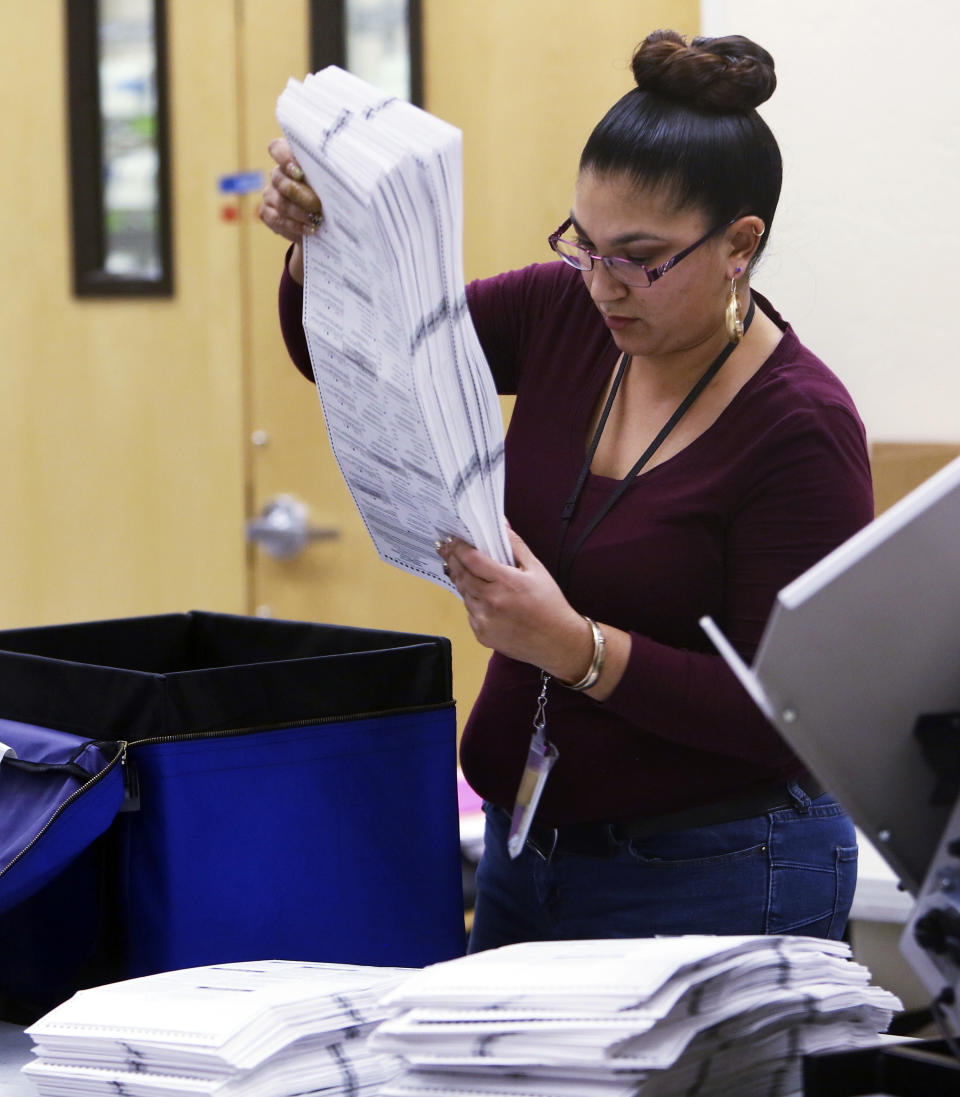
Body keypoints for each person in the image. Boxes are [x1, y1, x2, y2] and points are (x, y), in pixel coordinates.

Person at [260, 29, 873, 951]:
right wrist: (321, 240)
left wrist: (575, 646)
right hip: (530, 846)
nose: (603, 285)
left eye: (640, 257)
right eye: (583, 244)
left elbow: (782, 723)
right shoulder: (564, 311)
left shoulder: (801, 429)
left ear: (741, 243)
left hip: (722, 868)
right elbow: (360, 353)